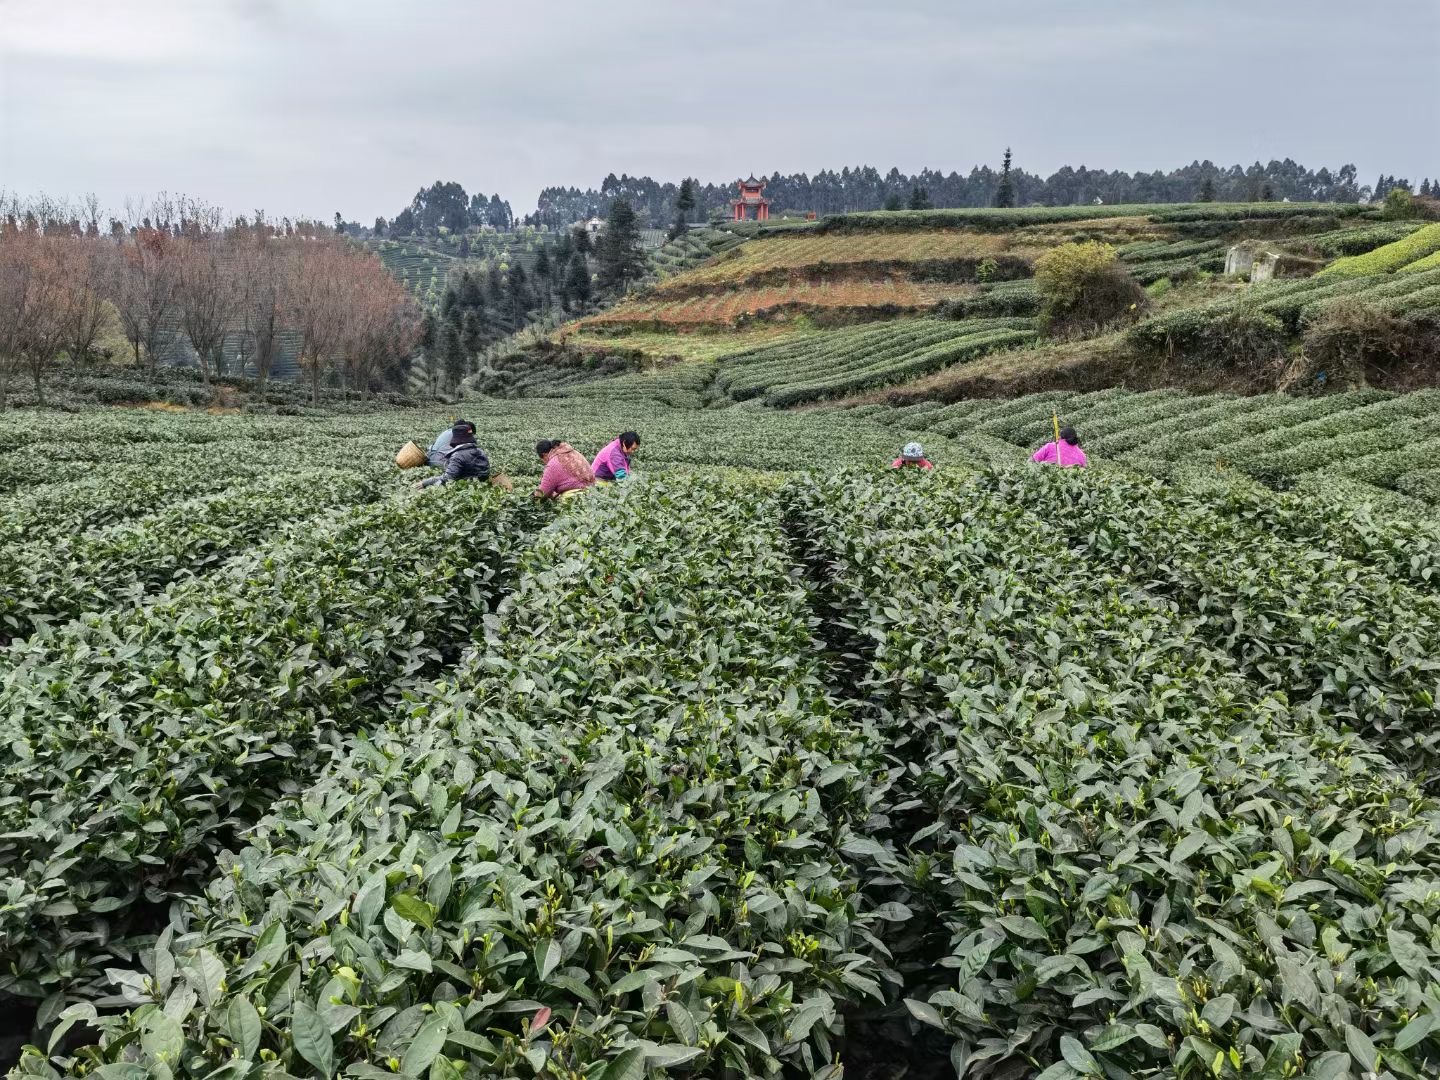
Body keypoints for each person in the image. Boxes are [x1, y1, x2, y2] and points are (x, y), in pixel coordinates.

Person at [416, 422, 490, 489]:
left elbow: (448, 479)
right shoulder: (481, 451)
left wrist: (425, 483)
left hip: (467, 487)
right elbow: (485, 473)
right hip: (481, 484)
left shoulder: (458, 455)